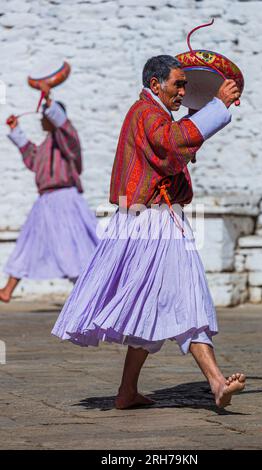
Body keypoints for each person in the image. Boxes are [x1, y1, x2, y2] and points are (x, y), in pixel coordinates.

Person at [52, 55, 246, 409]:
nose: (183, 92)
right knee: (186, 297)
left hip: (151, 219)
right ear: (156, 85)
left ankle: (127, 392)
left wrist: (200, 118)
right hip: (154, 221)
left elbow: (171, 151)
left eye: (186, 85)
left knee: (150, 303)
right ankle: (217, 382)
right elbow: (171, 144)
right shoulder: (147, 114)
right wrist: (216, 106)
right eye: (178, 85)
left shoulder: (150, 114)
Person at [0, 82, 98, 303]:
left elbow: (65, 128)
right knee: (28, 241)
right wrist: (16, 130)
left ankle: (87, 294)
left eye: (46, 116)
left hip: (65, 200)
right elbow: (33, 159)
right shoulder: (46, 145)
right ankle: (8, 288)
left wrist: (49, 102)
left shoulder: (68, 141)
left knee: (72, 247)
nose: (41, 119)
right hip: (45, 201)